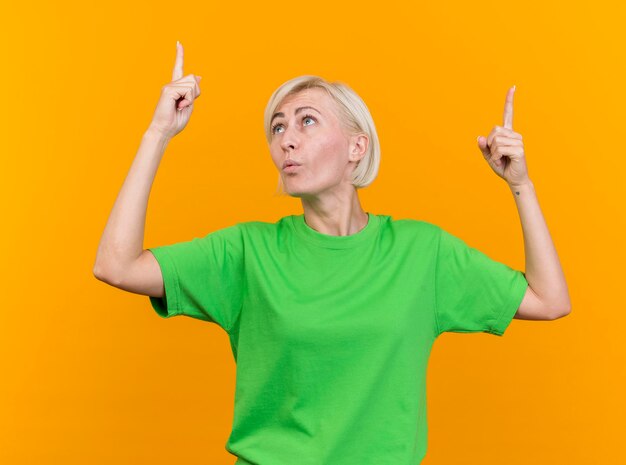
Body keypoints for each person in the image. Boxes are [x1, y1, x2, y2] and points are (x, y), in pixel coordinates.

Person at [93, 41, 571, 465]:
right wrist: (157, 134)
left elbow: (550, 301)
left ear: (356, 147)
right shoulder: (248, 252)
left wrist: (520, 185)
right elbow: (116, 266)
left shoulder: (422, 251)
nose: (287, 139)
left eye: (306, 121)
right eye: (277, 128)